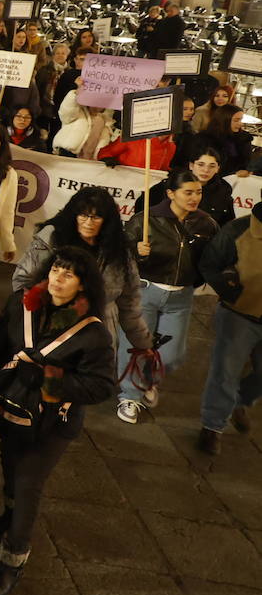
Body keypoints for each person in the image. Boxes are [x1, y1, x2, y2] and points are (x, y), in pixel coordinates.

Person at [0, 246, 115, 595]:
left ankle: (11, 562)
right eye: (54, 271)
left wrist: (48, 380)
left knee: (29, 482)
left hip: (53, 422)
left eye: (68, 275)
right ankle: (8, 512)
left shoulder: (93, 333)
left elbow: (102, 386)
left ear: (83, 286)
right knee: (8, 462)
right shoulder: (22, 305)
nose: (57, 280)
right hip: (14, 406)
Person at [116, 170, 217, 424]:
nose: (194, 197)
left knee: (171, 355)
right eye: (188, 192)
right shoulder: (145, 220)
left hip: (181, 296)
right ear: (171, 193)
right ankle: (130, 396)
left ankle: (149, 379)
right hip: (144, 291)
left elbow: (213, 258)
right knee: (136, 348)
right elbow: (120, 254)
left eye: (199, 192)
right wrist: (137, 251)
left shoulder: (206, 224)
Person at [13, 186, 152, 362]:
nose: (88, 222)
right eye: (83, 215)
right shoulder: (52, 238)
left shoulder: (119, 250)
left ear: (106, 220)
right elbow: (22, 282)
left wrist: (143, 343)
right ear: (74, 215)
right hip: (51, 326)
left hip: (98, 328)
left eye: (96, 217)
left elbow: (129, 303)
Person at [196, 199, 262, 455]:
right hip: (239, 315)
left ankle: (238, 401)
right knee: (225, 372)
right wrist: (230, 291)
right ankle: (212, 427)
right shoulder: (239, 229)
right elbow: (209, 264)